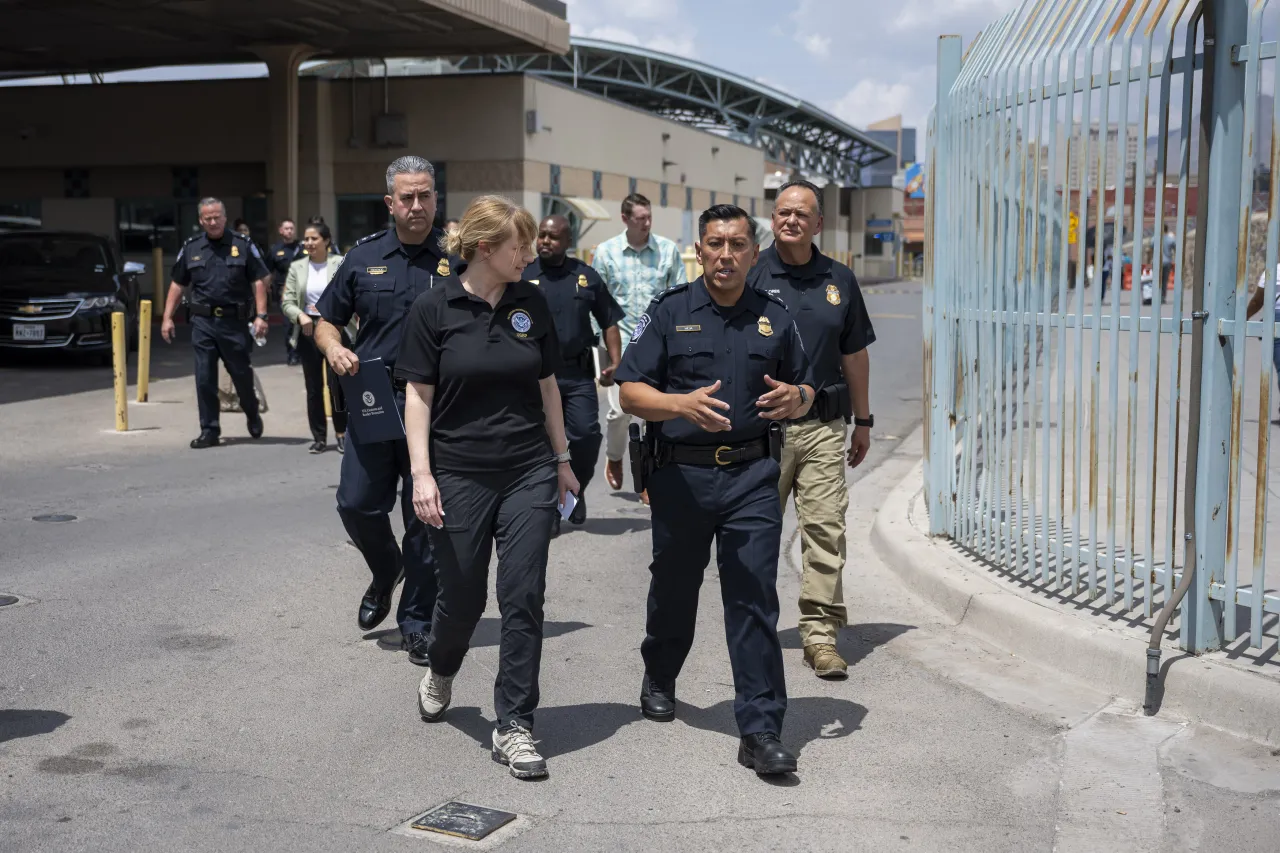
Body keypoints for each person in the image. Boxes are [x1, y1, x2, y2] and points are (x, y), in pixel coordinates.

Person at [616, 204, 815, 777]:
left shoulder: (775, 318)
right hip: (680, 475)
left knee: (753, 596)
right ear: (698, 251)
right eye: (714, 244)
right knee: (674, 588)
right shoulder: (671, 311)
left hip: (753, 477)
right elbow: (630, 391)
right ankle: (660, 670)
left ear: (754, 254)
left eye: (736, 245)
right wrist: (680, 405)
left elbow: (804, 386)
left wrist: (796, 399)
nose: (724, 255)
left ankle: (759, 728)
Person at [401, 196, 579, 780]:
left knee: (524, 594)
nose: (529, 254)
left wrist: (561, 460)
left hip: (528, 467)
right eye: (518, 246)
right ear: (485, 249)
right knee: (464, 600)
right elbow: (419, 398)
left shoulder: (532, 301)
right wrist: (423, 475)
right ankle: (443, 667)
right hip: (457, 472)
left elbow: (549, 387)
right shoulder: (434, 308)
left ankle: (515, 724)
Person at [313, 156, 442, 664]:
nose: (417, 205)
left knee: (426, 517)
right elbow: (325, 320)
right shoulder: (362, 258)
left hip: (434, 404)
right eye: (407, 197)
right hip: (374, 401)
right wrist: (332, 347)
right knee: (356, 503)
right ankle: (386, 569)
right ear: (390, 203)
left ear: (436, 198)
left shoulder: (458, 260)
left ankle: (417, 622)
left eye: (425, 195)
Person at [747, 179, 876, 679]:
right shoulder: (752, 273)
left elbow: (855, 353)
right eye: (782, 212)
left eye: (801, 214)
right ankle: (756, 626)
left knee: (825, 531)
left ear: (818, 224)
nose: (790, 220)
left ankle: (820, 636)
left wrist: (862, 421)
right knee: (756, 533)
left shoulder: (839, 279)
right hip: (764, 429)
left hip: (823, 427)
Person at [522, 214, 624, 533]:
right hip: (533, 376)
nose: (545, 241)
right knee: (541, 442)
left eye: (553, 237)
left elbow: (609, 320)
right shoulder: (521, 274)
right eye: (542, 236)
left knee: (585, 436)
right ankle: (552, 507)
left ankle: (574, 495)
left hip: (576, 375)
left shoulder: (586, 277)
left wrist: (616, 362)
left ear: (568, 242)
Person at [593, 193, 685, 495]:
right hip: (618, 346)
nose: (646, 223)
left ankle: (646, 476)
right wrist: (600, 351)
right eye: (639, 218)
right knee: (620, 412)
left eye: (649, 217)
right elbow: (598, 303)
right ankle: (615, 457)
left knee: (652, 414)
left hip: (657, 345)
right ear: (625, 219)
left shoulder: (668, 251)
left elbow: (679, 297)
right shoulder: (606, 253)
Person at [160, 197, 271, 449]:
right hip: (203, 322)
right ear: (201, 220)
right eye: (207, 218)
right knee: (204, 378)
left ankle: (252, 413)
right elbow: (178, 284)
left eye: (216, 217)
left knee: (241, 376)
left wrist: (261, 315)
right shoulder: (191, 247)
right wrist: (167, 317)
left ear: (224, 217)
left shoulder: (242, 245)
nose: (212, 222)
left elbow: (258, 280)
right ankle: (209, 430)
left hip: (235, 322)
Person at [282, 221, 356, 454]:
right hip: (308, 331)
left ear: (326, 241)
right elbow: (287, 301)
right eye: (306, 239)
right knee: (313, 387)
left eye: (314, 238)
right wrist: (300, 315)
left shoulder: (340, 262)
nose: (309, 243)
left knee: (338, 384)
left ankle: (342, 434)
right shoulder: (297, 267)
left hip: (336, 328)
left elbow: (351, 294)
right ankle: (319, 437)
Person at [269, 218, 303, 365]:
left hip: (303, 290)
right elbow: (268, 272)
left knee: (305, 323)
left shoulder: (303, 248)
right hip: (285, 291)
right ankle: (292, 353)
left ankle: (305, 353)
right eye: (286, 228)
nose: (289, 231)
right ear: (280, 231)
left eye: (291, 228)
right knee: (289, 325)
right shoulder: (275, 250)